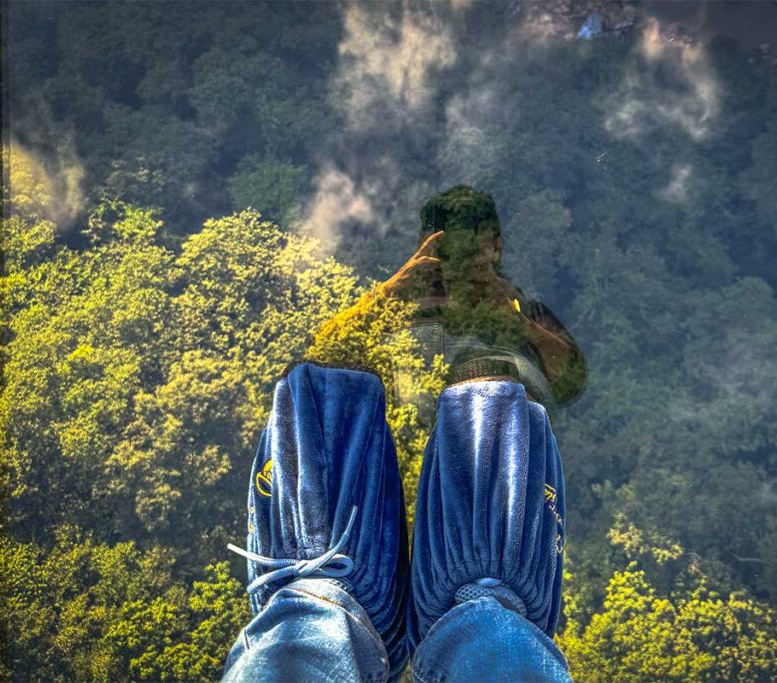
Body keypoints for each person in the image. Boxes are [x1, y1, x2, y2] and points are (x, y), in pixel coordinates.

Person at [222, 187, 582, 682]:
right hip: (474, 461)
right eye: (445, 247)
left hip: (394, 453)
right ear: (426, 245)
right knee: (494, 615)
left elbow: (571, 377)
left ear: (495, 246)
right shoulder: (416, 295)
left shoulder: (520, 305)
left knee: (310, 612)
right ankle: (482, 611)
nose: (459, 261)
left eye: (473, 246)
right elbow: (334, 340)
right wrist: (397, 290)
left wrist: (508, 317)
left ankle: (327, 605)